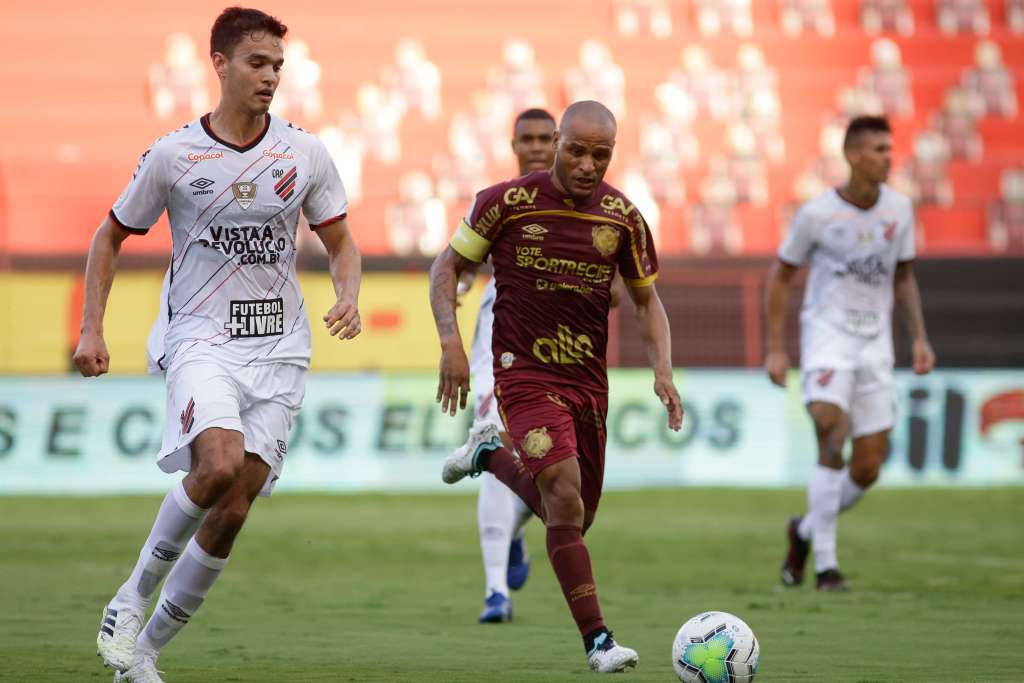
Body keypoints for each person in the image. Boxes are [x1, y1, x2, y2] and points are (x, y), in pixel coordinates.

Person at [74, 8, 361, 682]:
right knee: (219, 463)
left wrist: (348, 293)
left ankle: (145, 653)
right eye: (258, 63)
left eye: (278, 66)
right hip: (200, 337)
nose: (270, 76)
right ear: (221, 64)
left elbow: (341, 242)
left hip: (280, 348)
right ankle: (129, 599)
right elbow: (109, 236)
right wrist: (92, 327)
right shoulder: (174, 155)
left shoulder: (304, 153)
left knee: (234, 506)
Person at [428, 100, 683, 673]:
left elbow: (646, 301)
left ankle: (489, 455)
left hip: (586, 383)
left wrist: (663, 370)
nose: (588, 165)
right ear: (558, 145)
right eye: (578, 151)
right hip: (523, 373)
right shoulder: (504, 203)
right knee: (564, 496)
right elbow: (445, 268)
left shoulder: (623, 217)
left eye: (601, 155)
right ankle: (598, 641)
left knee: (571, 518)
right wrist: (450, 344)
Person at [764, 115, 935, 592]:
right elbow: (780, 276)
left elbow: (903, 277)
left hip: (875, 344)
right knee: (830, 427)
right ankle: (827, 568)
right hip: (828, 339)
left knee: (868, 466)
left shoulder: (899, 209)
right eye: (880, 149)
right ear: (853, 155)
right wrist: (776, 347)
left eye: (890, 149)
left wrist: (919, 338)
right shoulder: (818, 213)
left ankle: (802, 531)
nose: (889, 157)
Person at [452, 108, 558, 624]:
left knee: (562, 476)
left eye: (544, 139)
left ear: (558, 143)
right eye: (527, 139)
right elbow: (461, 262)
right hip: (501, 340)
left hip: (562, 347)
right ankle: (496, 592)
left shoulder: (585, 206)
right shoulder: (499, 203)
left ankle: (513, 531)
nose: (535, 147)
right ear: (514, 145)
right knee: (495, 444)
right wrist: (459, 284)